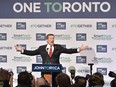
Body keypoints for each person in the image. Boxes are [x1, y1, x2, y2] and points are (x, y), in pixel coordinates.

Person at [15, 33, 88, 87]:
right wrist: (22, 50)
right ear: (47, 40)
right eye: (50, 38)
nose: (52, 40)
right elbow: (32, 53)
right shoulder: (41, 48)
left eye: (53, 38)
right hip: (45, 71)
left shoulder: (58, 47)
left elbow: (68, 51)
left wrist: (79, 49)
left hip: (56, 73)